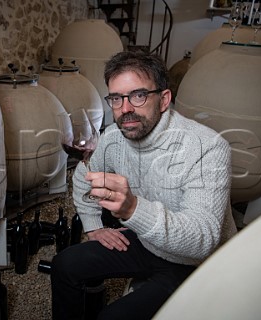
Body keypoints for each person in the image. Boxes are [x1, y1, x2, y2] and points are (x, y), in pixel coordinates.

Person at [51, 51, 237, 320]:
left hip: (196, 264)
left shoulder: (206, 147)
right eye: (116, 98)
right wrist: (94, 227)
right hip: (147, 242)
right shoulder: (112, 138)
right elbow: (83, 176)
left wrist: (133, 209)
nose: (125, 108)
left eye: (138, 96)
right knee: (64, 264)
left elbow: (202, 240)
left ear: (163, 100)